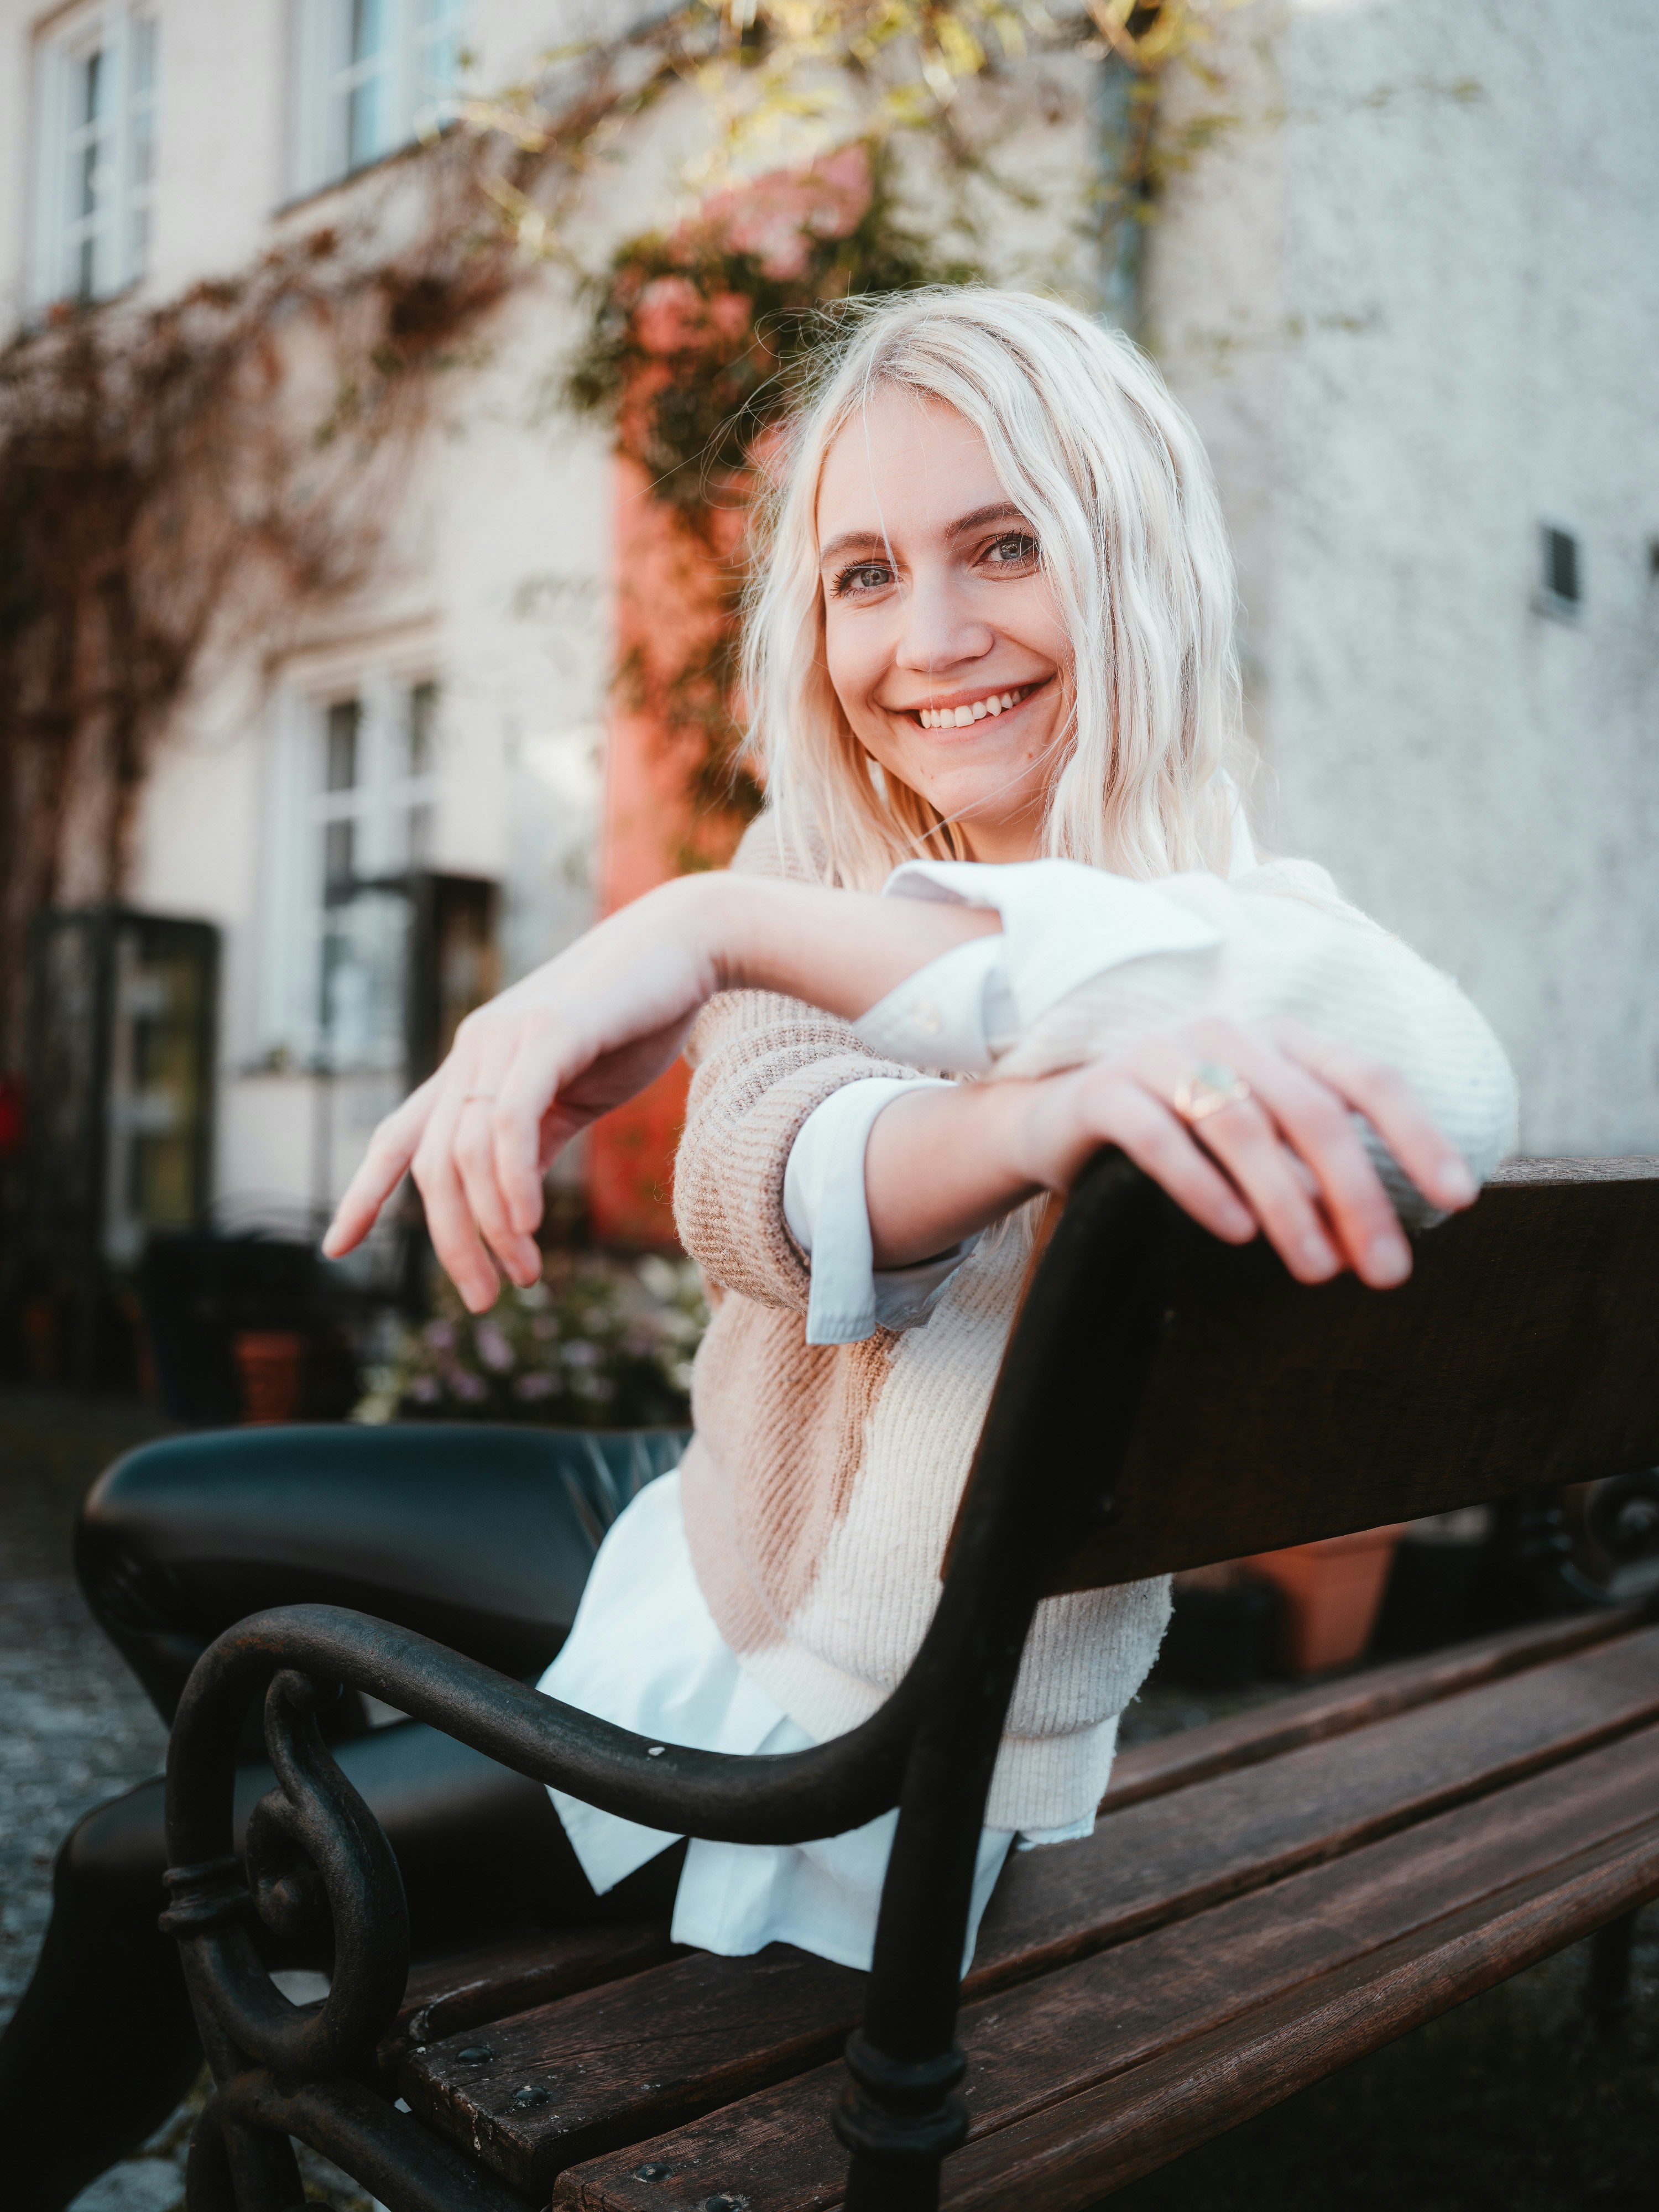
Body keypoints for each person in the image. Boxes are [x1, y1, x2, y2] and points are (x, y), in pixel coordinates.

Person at [1, 288, 1516, 2206]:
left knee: (136, 1865)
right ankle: (419, 1899)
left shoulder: (1233, 927)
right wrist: (760, 937)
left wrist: (721, 928)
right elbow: (761, 1183)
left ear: (1131, 559)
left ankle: (418, 1935)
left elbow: (1448, 1082)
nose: (931, 637)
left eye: (1004, 546)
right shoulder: (822, 889)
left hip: (797, 1743)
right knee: (145, 1513)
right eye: (865, 574)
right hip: (699, 1535)